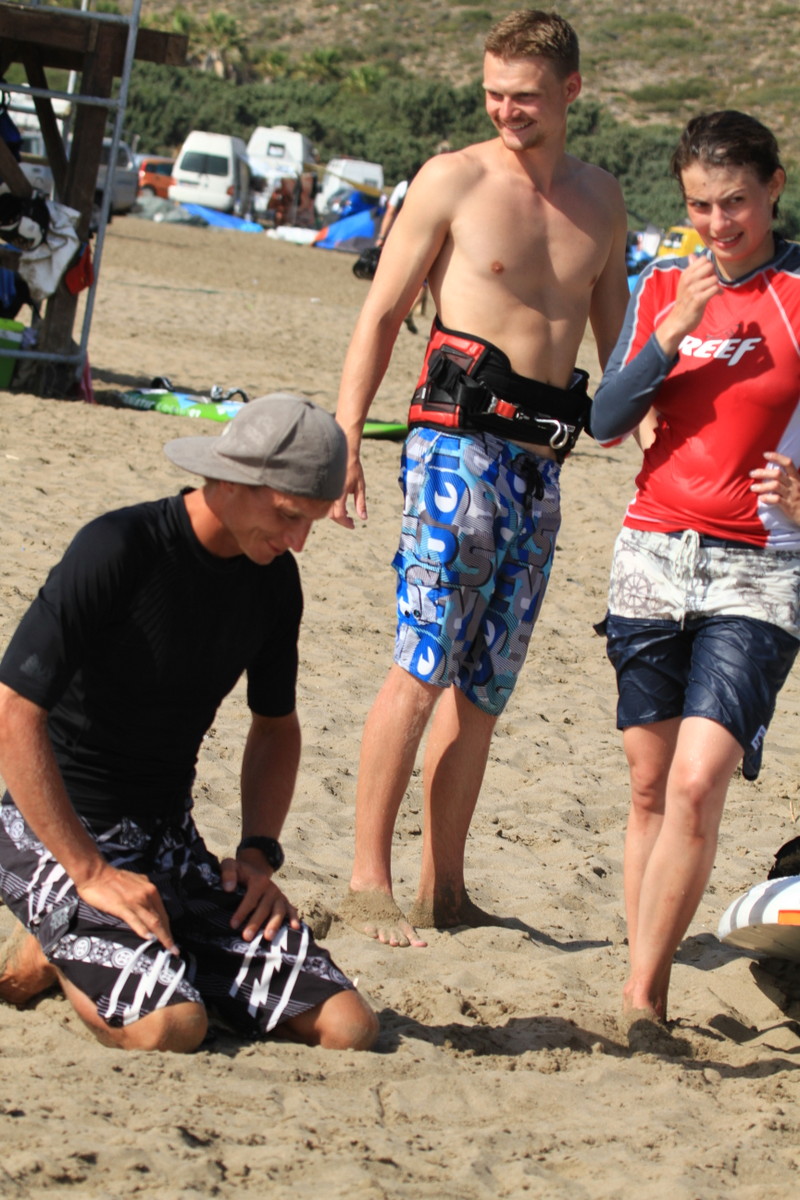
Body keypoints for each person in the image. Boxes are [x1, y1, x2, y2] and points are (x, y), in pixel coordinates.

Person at [333, 9, 629, 947]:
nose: (507, 110)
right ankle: (368, 880)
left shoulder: (602, 200)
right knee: (423, 660)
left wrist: (662, 432)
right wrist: (347, 433)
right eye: (494, 93)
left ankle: (445, 889)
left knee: (486, 684)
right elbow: (383, 314)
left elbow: (620, 350)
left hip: (540, 469)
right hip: (453, 449)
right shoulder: (451, 179)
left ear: (571, 91)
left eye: (526, 96)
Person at [0, 394, 378, 1053]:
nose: (297, 542)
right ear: (230, 480)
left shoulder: (274, 582)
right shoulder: (117, 547)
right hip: (56, 830)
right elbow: (13, 712)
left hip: (168, 842)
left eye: (311, 523)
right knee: (174, 1027)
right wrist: (88, 872)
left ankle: (128, 945)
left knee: (349, 1027)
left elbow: (275, 726)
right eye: (289, 515)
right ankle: (54, 943)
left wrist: (257, 854)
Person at [591, 110, 800, 1032]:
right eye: (699, 206)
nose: (718, 223)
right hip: (651, 554)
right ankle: (648, 974)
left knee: (695, 781)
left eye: (736, 202)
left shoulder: (797, 291)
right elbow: (605, 419)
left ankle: (643, 997)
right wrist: (672, 328)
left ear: (774, 189)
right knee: (647, 786)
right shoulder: (661, 287)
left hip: (760, 567)